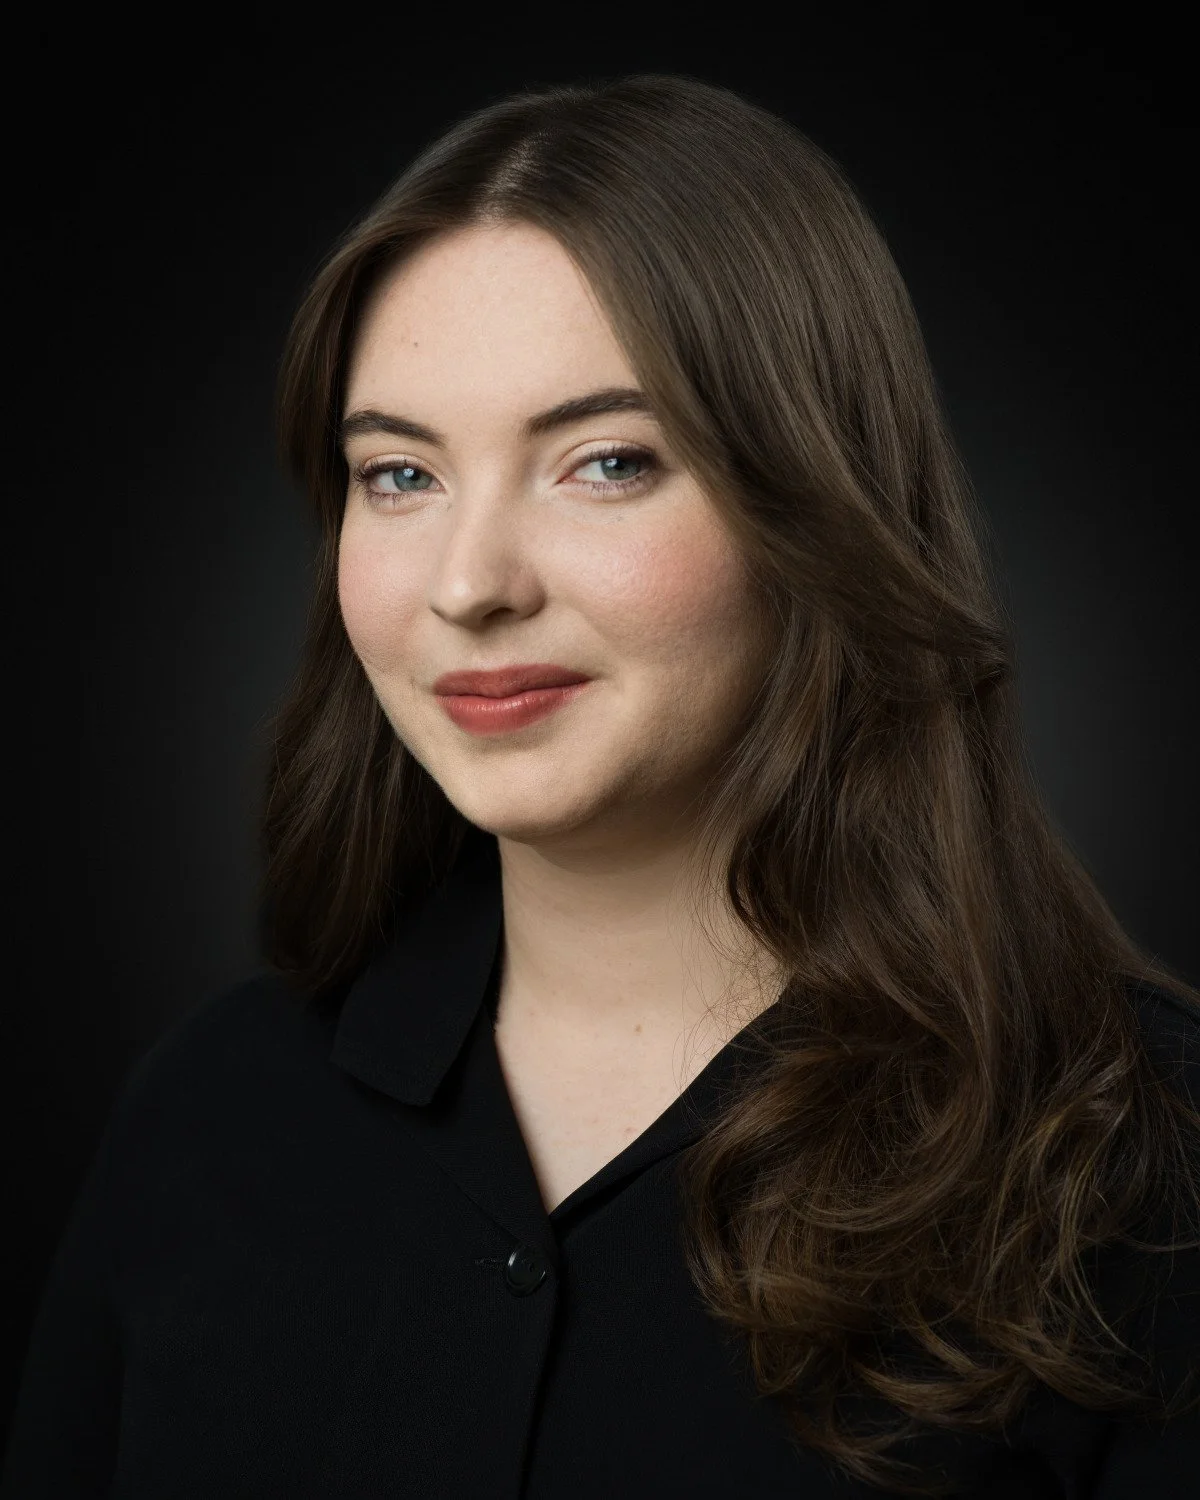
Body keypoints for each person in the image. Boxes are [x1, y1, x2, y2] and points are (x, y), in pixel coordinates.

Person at [4, 72, 1197, 1499]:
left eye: (607, 463)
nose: (469, 585)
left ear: (819, 501)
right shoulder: (209, 1114)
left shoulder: (1147, 1155)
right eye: (400, 476)